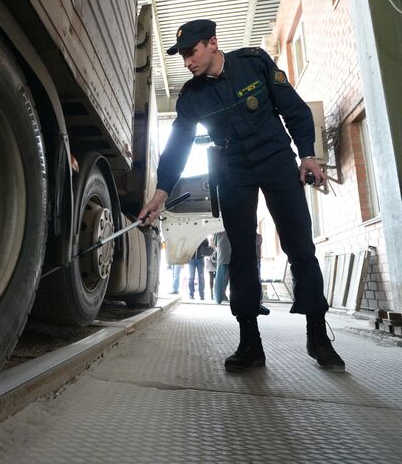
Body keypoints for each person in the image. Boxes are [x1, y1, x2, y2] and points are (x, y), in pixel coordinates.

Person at [138, 19, 344, 373]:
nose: (187, 61)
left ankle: (317, 335)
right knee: (241, 255)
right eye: (182, 56)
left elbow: (293, 108)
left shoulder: (254, 62)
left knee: (300, 247)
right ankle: (250, 341)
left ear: (213, 43)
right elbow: (177, 146)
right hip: (232, 170)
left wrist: (307, 154)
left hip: (277, 160)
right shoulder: (191, 97)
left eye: (192, 52)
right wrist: (161, 191)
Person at [213, 231, 231, 305]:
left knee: (220, 278)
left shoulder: (218, 228)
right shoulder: (234, 225)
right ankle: (234, 297)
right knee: (233, 279)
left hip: (222, 254)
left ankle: (219, 298)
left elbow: (215, 242)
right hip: (231, 254)